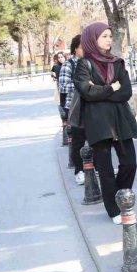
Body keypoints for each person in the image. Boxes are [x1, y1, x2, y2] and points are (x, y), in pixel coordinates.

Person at [73, 22, 137, 224]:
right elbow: (86, 92)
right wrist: (111, 88)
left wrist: (101, 91)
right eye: (104, 36)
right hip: (98, 122)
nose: (109, 39)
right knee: (106, 169)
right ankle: (113, 210)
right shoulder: (84, 65)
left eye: (110, 35)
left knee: (130, 163)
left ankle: (118, 194)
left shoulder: (117, 62)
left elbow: (126, 91)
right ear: (92, 39)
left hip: (120, 119)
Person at [58, 35, 85, 185]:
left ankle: (94, 167)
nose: (85, 50)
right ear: (75, 48)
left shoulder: (89, 62)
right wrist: (82, 86)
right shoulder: (69, 64)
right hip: (75, 107)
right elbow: (63, 86)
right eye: (82, 47)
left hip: (90, 106)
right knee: (78, 140)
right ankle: (79, 170)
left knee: (95, 139)